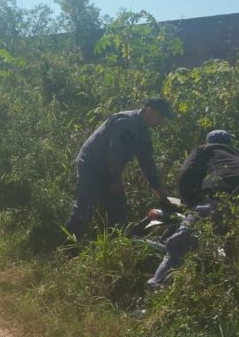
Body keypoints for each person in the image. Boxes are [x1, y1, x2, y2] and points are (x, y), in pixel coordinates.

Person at [146, 129, 239, 288]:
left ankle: (156, 288)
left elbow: (186, 173)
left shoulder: (204, 149)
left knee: (179, 248)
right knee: (236, 253)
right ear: (229, 142)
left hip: (213, 202)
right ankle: (232, 292)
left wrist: (190, 202)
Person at [66, 97, 173, 241]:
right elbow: (114, 153)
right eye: (160, 117)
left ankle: (112, 247)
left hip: (108, 170)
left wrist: (158, 188)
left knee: (118, 209)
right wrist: (115, 180)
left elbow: (147, 161)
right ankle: (69, 248)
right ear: (150, 110)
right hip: (91, 165)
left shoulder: (143, 132)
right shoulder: (126, 122)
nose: (161, 122)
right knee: (86, 205)